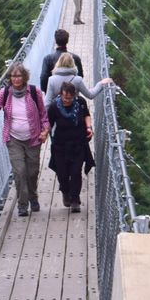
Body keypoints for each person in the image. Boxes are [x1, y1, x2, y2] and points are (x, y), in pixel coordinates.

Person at [0, 62, 49, 217]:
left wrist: (45, 131)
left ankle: (33, 197)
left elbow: (44, 115)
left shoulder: (34, 92)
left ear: (24, 77)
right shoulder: (5, 93)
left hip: (33, 138)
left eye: (19, 75)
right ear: (9, 77)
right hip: (13, 138)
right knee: (19, 172)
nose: (16, 79)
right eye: (13, 76)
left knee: (32, 172)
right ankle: (23, 206)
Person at [48, 82, 94, 211]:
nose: (66, 100)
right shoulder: (54, 107)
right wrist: (43, 134)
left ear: (74, 96)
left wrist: (89, 127)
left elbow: (86, 115)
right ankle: (65, 192)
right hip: (60, 146)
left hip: (78, 144)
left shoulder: (80, 102)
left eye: (69, 98)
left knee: (75, 172)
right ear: (60, 95)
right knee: (62, 174)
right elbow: (49, 124)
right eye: (64, 97)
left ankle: (75, 200)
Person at [44, 52, 112, 108]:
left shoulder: (51, 80)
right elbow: (90, 95)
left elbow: (47, 103)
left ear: (58, 63)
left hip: (58, 115)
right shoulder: (77, 80)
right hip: (73, 113)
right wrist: (101, 84)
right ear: (72, 63)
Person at [40, 28, 84, 92]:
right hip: (70, 94)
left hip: (53, 93)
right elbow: (80, 76)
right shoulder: (75, 58)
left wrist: (46, 91)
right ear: (67, 41)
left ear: (55, 41)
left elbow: (43, 77)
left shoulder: (47, 59)